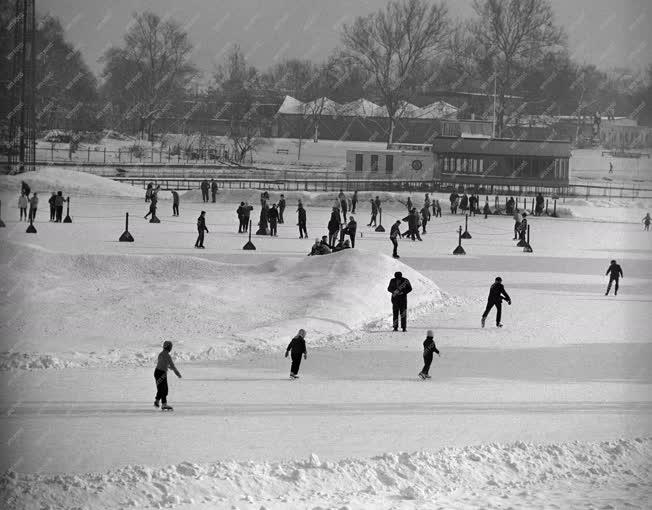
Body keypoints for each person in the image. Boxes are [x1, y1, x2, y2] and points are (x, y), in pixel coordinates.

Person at [154, 340, 181, 411]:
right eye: (171, 347)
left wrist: (168, 367)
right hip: (161, 373)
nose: (171, 348)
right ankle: (164, 404)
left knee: (160, 388)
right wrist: (178, 374)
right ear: (169, 347)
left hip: (157, 372)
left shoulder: (161, 354)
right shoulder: (167, 355)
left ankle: (157, 401)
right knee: (164, 389)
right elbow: (172, 365)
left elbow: (162, 363)